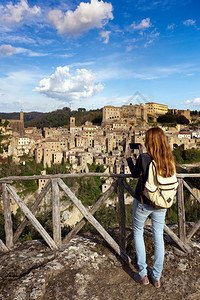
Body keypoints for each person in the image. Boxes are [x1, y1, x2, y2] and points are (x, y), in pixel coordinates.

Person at [126, 127, 176, 288]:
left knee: (138, 232)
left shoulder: (144, 157)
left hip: (143, 201)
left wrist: (129, 157)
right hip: (161, 203)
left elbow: (134, 174)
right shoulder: (168, 159)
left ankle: (142, 274)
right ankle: (156, 276)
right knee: (158, 238)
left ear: (149, 141)